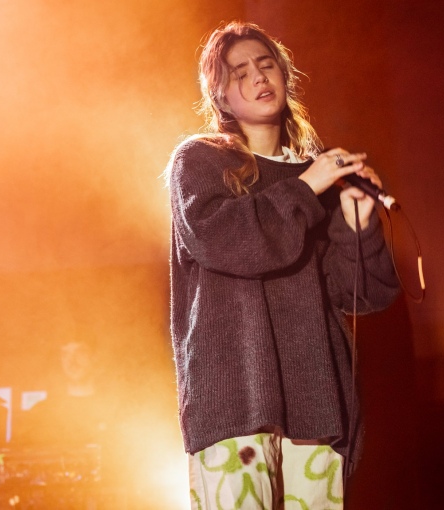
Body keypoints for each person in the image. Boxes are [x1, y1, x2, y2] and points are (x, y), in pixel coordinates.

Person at [165, 21, 399, 509]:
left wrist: (357, 221)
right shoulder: (201, 161)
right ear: (222, 97)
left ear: (285, 76)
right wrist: (306, 188)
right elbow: (227, 241)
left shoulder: (316, 178)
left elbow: (363, 293)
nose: (258, 77)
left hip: (316, 405)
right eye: (239, 72)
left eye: (266, 64)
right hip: (235, 404)